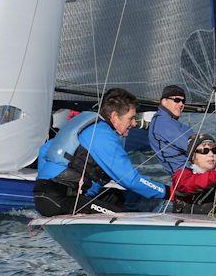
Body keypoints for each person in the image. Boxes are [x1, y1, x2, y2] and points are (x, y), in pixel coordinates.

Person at [34, 87, 170, 216]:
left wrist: (42, 185)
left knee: (130, 199)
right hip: (64, 199)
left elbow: (45, 150)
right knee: (123, 218)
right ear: (115, 116)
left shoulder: (88, 124)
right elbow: (130, 180)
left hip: (46, 195)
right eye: (131, 118)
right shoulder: (102, 134)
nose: (134, 123)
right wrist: (168, 192)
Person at [148, 84, 194, 175]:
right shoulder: (163, 123)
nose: (181, 104)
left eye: (183, 101)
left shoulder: (168, 121)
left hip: (193, 170)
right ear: (164, 101)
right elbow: (192, 146)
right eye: (177, 100)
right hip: (187, 176)